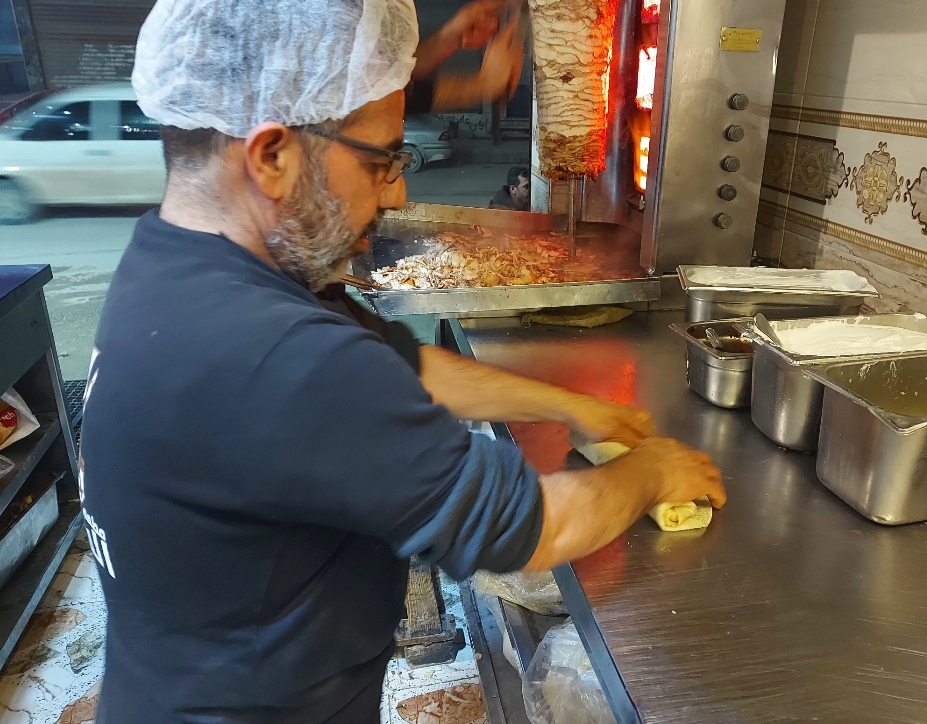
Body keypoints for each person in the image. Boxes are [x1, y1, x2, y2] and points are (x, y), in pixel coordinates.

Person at [80, 2, 725, 723]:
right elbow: (536, 527)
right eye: (382, 160)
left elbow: (402, 367)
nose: (399, 192)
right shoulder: (277, 357)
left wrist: (570, 406)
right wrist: (653, 472)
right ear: (270, 156)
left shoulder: (183, 264)